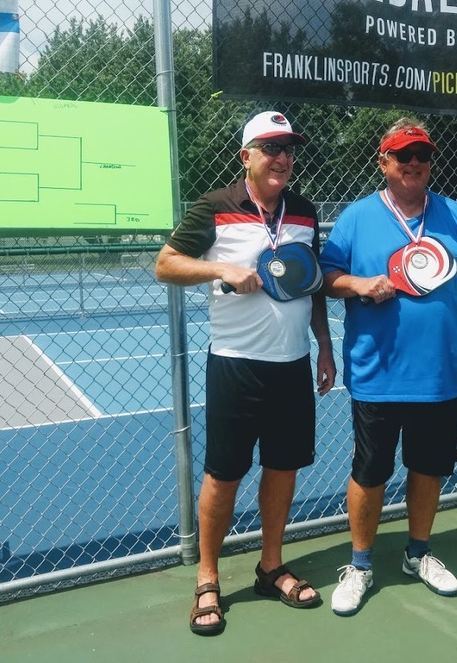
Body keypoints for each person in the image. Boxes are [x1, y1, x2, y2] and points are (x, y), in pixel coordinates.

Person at [155, 111, 336, 635]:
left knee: (283, 468)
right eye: (271, 147)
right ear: (246, 157)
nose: (283, 158)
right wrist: (219, 267)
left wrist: (324, 344)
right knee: (224, 474)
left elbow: (313, 282)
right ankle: (208, 580)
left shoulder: (304, 212)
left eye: (289, 149)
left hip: (293, 365)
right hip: (235, 364)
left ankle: (269, 566)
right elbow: (165, 264)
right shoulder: (215, 207)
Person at [319, 117, 457, 616]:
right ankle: (360, 564)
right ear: (383, 162)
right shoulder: (357, 218)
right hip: (378, 373)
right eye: (403, 156)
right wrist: (359, 285)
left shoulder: (454, 216)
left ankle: (418, 554)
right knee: (371, 470)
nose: (414, 164)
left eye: (422, 155)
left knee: (428, 468)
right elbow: (327, 277)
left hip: (441, 374)